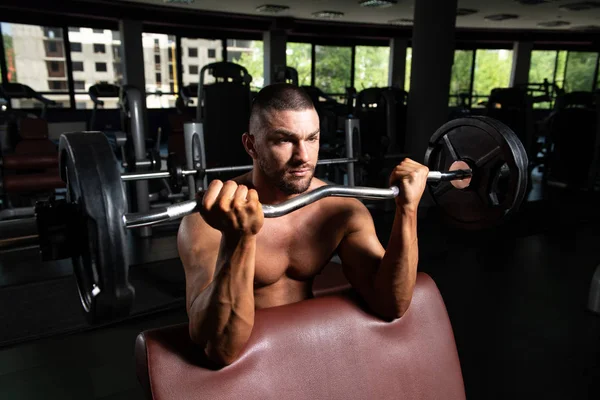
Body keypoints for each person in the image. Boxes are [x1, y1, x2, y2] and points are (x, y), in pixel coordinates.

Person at [177, 83, 429, 367]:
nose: (303, 157)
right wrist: (239, 238)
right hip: (246, 359)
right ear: (251, 145)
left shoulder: (341, 208)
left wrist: (407, 211)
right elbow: (220, 349)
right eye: (284, 140)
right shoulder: (205, 222)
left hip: (309, 349)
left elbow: (391, 304)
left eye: (312, 139)